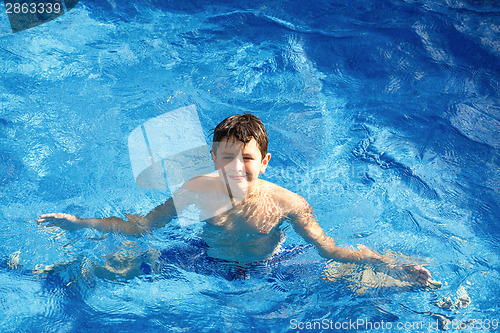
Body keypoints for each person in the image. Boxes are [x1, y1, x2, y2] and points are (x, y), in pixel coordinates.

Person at [37, 114, 431, 285]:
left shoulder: (288, 203)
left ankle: (408, 279)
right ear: (213, 158)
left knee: (348, 281)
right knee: (110, 268)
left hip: (270, 264)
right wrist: (80, 223)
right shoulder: (195, 191)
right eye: (226, 158)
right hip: (204, 258)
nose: (235, 167)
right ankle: (51, 273)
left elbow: (327, 248)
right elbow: (142, 226)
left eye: (246, 158)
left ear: (264, 161)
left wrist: (386, 263)